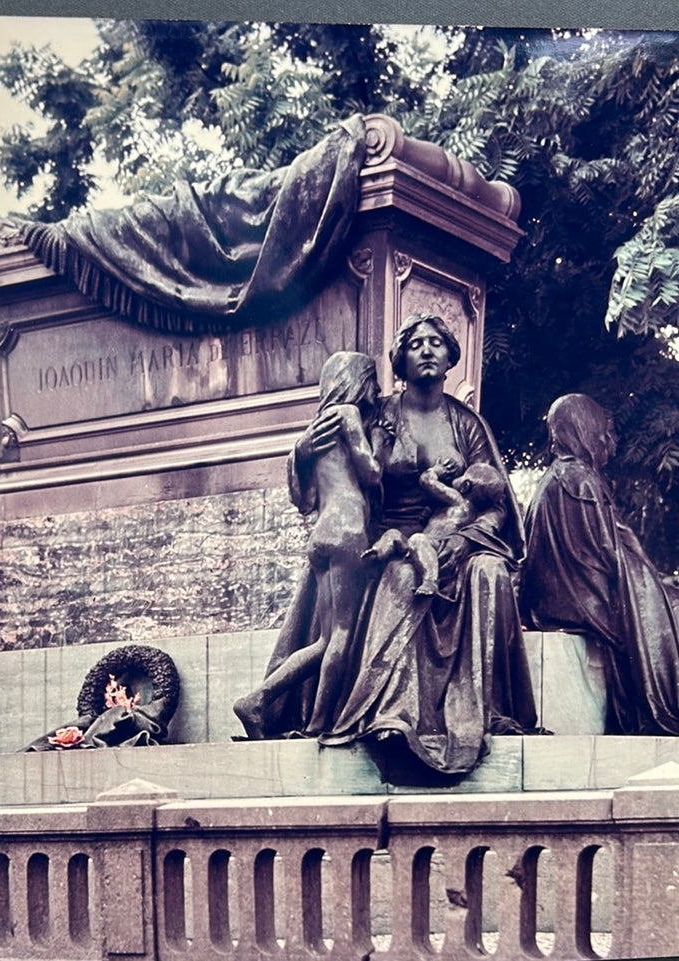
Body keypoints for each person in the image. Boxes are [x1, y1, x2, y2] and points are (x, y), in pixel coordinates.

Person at [238, 314, 537, 776]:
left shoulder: (467, 424)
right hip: (383, 537)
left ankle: (486, 708)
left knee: (491, 573)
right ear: (399, 358)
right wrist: (299, 450)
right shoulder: (380, 414)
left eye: (436, 342)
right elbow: (332, 474)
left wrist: (463, 540)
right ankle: (391, 715)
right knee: (399, 578)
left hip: (458, 539)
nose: (427, 350)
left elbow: (496, 502)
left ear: (451, 354)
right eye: (415, 343)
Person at [234, 352, 381, 737]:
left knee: (324, 640)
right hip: (349, 530)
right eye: (372, 380)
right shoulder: (348, 416)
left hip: (320, 534)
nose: (377, 390)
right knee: (343, 636)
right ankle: (319, 723)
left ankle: (256, 700)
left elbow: (305, 497)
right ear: (357, 382)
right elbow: (370, 471)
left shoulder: (315, 430)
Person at [521, 393, 679, 735]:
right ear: (583, 428)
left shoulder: (550, 480)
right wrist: (652, 582)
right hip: (580, 602)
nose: (609, 442)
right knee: (669, 613)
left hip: (554, 600)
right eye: (603, 432)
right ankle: (662, 704)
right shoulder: (581, 479)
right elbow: (611, 553)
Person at [363, 459, 506, 598]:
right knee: (394, 534)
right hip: (423, 546)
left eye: (461, 476)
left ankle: (430, 580)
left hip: (435, 546)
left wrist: (437, 470)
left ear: (465, 486)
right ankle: (377, 552)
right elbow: (443, 521)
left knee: (417, 539)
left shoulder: (456, 498)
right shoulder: (472, 514)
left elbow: (426, 481)